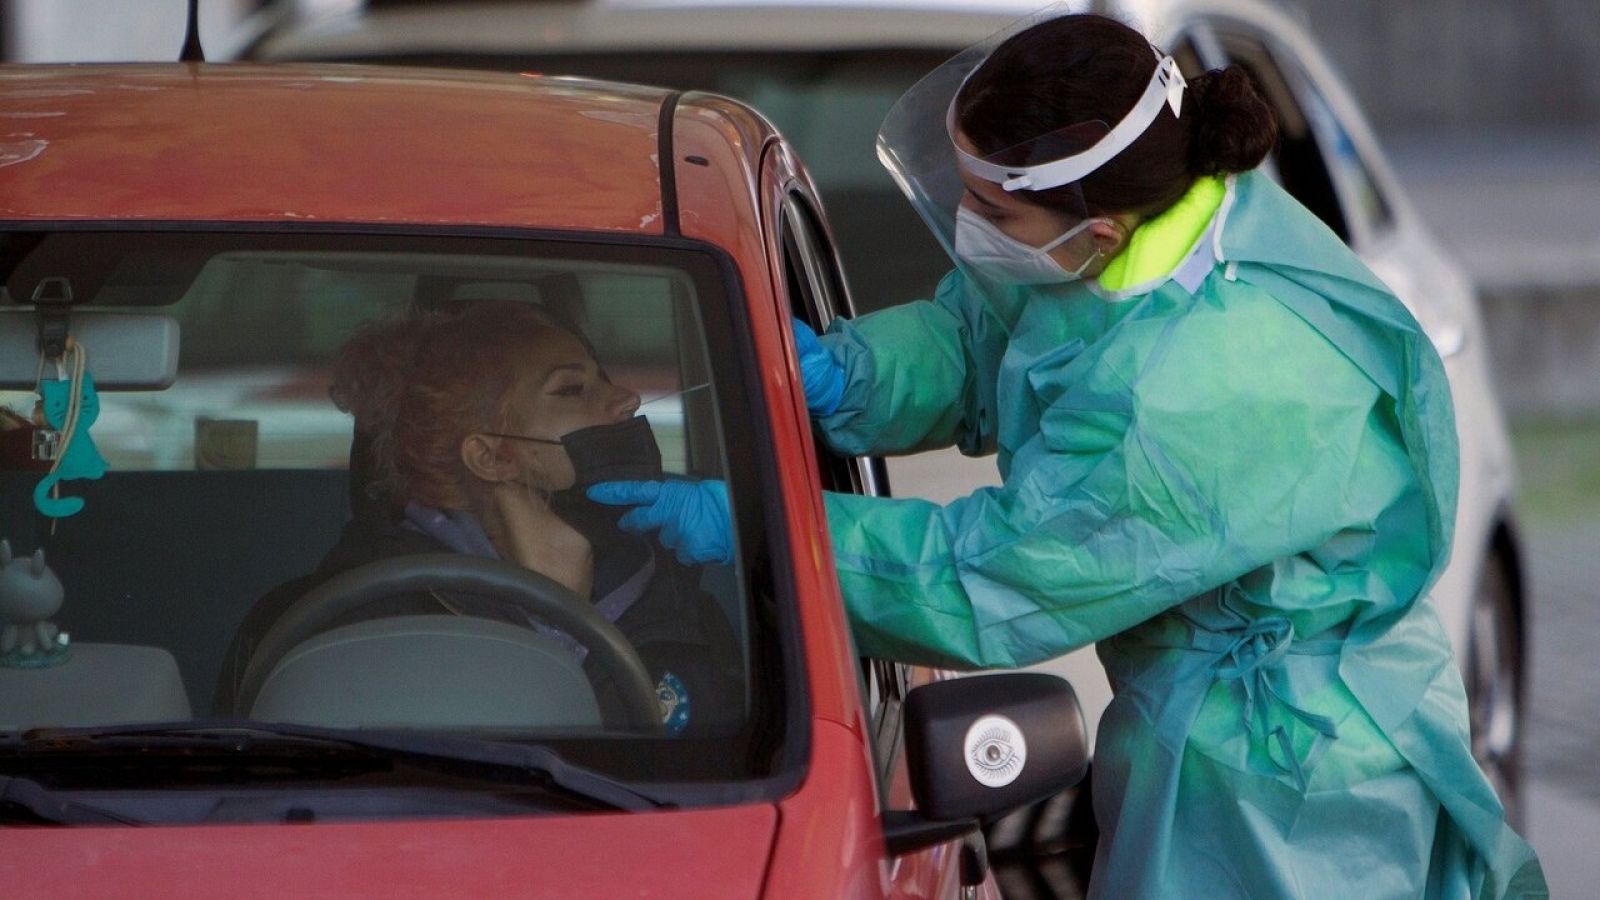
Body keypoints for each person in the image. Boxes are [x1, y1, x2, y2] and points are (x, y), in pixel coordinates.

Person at [590, 11, 1546, 898]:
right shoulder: (1151, 230)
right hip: (1209, 723)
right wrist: (851, 377)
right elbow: (989, 336)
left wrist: (757, 530)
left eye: (994, 217)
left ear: (1097, 230)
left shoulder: (1200, 391)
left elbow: (996, 579)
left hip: (1284, 785)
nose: (971, 235)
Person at [217, 299, 742, 736]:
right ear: (491, 457)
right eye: (572, 389)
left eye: (603, 381)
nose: (627, 400)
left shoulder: (686, 610)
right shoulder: (363, 624)